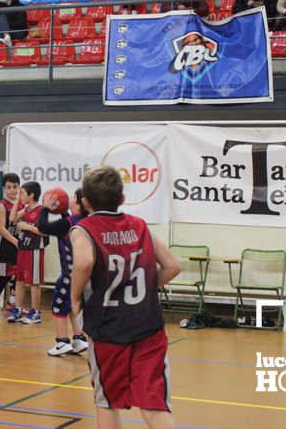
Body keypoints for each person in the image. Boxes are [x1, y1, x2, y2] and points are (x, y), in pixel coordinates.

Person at [69, 166, 182, 429]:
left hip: (108, 329)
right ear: (121, 199)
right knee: (154, 404)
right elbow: (173, 266)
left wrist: (75, 298)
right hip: (147, 327)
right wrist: (144, 288)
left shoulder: (84, 229)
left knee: (107, 403)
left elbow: (84, 261)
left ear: (85, 203)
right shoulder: (140, 225)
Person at [36, 188, 89, 356]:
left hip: (69, 275)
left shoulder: (68, 223)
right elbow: (66, 220)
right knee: (73, 306)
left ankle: (62, 342)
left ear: (81, 205)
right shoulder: (84, 220)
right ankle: (79, 338)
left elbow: (43, 227)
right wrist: (61, 210)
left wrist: (45, 208)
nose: (70, 198)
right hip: (83, 275)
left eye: (73, 197)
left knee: (59, 304)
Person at [8, 181, 46, 325]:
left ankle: (36, 312)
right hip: (23, 248)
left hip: (35, 249)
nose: (20, 195)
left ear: (31, 195)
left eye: (23, 193)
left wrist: (26, 227)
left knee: (34, 282)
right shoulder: (26, 209)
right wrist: (17, 200)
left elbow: (44, 231)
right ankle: (18, 309)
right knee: (19, 280)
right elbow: (12, 218)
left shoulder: (42, 210)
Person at [0, 173, 20, 316]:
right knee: (5, 276)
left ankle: (12, 302)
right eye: (9, 187)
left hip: (19, 245)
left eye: (15, 186)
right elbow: (2, 228)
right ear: (4, 188)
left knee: (19, 274)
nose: (12, 190)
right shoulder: (2, 206)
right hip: (5, 246)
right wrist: (14, 241)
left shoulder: (21, 205)